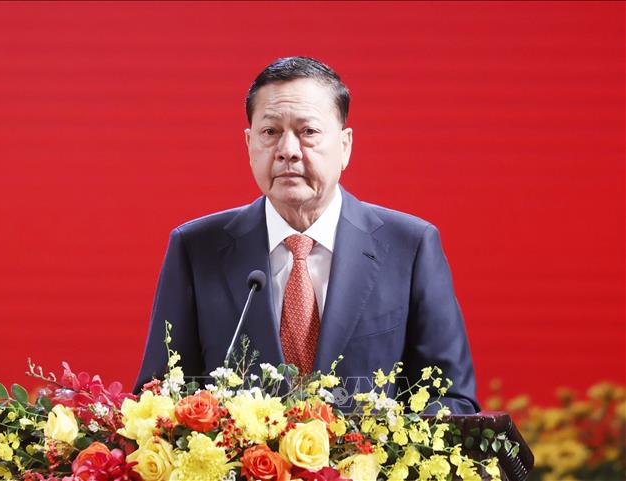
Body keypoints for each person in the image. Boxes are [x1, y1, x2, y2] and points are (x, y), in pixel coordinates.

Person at [135, 56, 479, 414]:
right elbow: (158, 396)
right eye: (270, 133)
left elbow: (453, 400)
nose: (287, 150)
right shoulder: (196, 248)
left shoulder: (410, 247)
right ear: (249, 144)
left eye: (308, 132)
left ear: (345, 146)